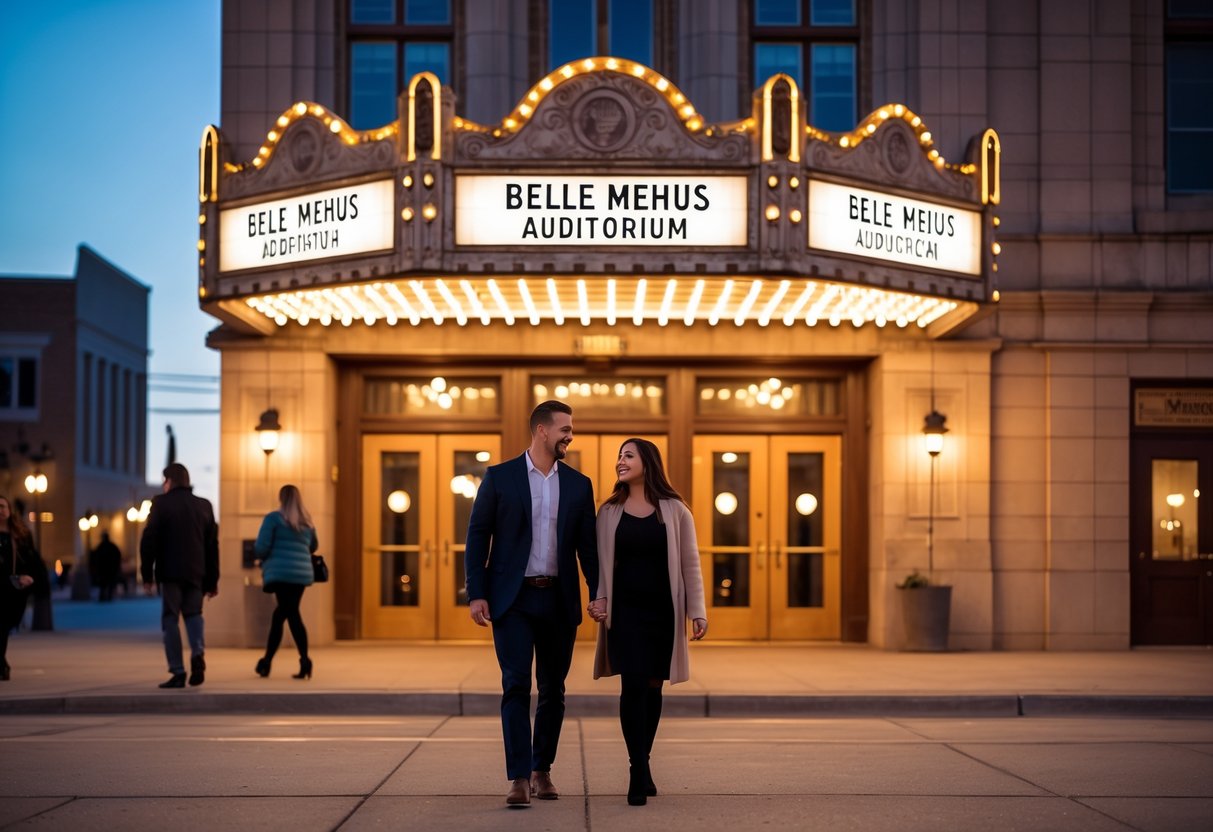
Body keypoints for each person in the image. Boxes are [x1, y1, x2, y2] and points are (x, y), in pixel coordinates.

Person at [465, 400, 604, 807]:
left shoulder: (579, 485)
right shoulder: (500, 477)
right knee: (515, 685)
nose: (569, 435)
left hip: (559, 599)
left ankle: (543, 770)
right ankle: (519, 777)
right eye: (564, 428)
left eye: (570, 429)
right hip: (514, 599)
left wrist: (598, 592)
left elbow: (588, 548)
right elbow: (477, 537)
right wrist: (477, 592)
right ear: (541, 430)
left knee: (553, 689)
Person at [589, 438, 707, 806]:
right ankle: (637, 769)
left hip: (663, 613)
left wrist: (697, 611)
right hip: (625, 613)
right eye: (619, 457)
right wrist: (599, 597)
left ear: (647, 462)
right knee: (633, 685)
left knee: (653, 688)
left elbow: (691, 563)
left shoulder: (675, 511)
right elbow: (599, 565)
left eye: (628, 456)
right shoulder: (608, 511)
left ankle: (644, 762)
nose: (620, 462)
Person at [140, 463, 219, 689]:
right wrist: (213, 580)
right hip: (197, 572)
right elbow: (212, 546)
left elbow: (149, 540)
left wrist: (147, 575)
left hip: (170, 572)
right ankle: (198, 653)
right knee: (194, 614)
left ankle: (177, 670)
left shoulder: (161, 503)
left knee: (170, 618)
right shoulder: (204, 506)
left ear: (169, 481)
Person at [253, 484, 318, 680]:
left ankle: (301, 660)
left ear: (281, 498)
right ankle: (267, 662)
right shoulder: (307, 522)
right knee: (282, 614)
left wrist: (262, 556)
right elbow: (314, 546)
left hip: (280, 574)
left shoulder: (273, 519)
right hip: (300, 576)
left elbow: (261, 546)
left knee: (290, 615)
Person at [0, 495, 42, 681]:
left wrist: (29, 577)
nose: (0, 510)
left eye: (3, 506)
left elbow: (31, 559)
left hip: (14, 588)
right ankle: (2, 664)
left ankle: (2, 663)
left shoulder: (20, 534)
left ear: (9, 510)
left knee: (5, 626)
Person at [91, 532, 123, 602]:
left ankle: (104, 597)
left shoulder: (101, 547)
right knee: (106, 585)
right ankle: (106, 596)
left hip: (106, 570)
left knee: (104, 585)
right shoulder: (110, 547)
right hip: (108, 570)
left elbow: (96, 559)